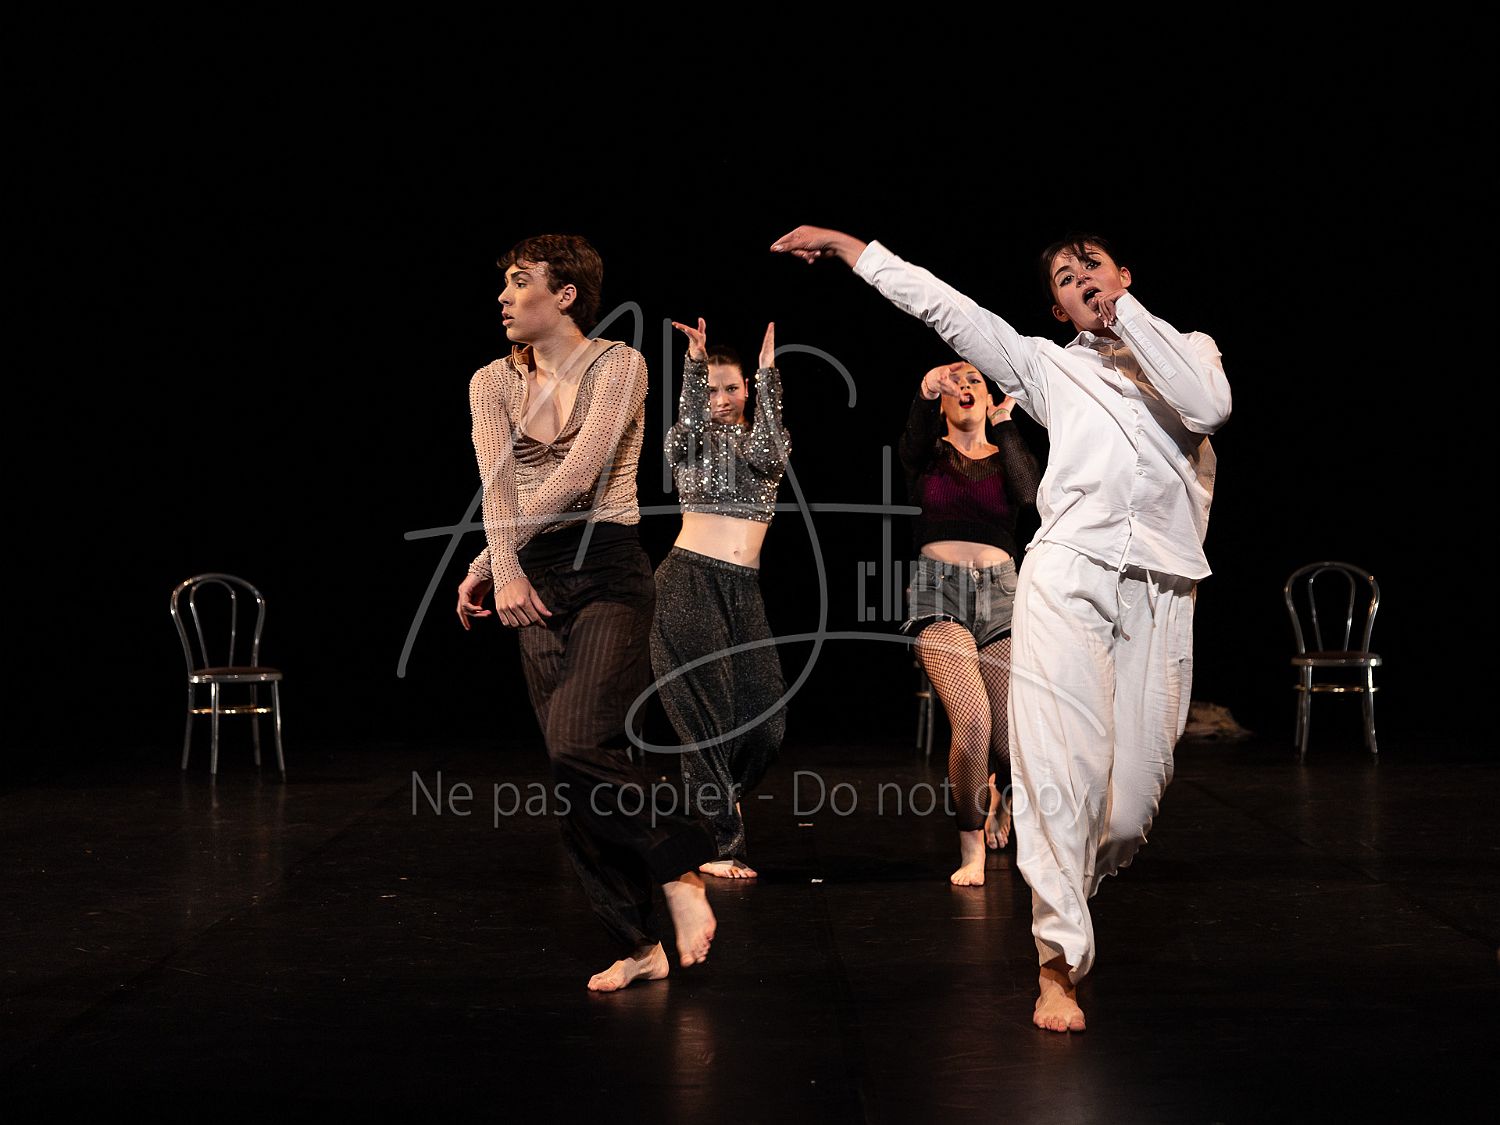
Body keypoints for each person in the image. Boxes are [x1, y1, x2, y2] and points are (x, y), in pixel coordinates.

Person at [770, 225, 1231, 1033]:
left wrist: (1126, 316)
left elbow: (1208, 407)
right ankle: (1057, 964)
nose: (1081, 278)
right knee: (1056, 763)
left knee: (1128, 810)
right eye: (1065, 278)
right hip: (1066, 574)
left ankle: (1069, 879)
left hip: (1162, 585)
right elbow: (951, 310)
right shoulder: (1050, 367)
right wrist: (854, 250)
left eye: (1092, 266)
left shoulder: (1190, 348)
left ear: (1124, 273)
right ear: (1055, 308)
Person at [455, 233, 718, 993]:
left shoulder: (621, 365)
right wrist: (501, 567)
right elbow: (498, 486)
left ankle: (680, 865)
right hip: (535, 580)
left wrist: (490, 563)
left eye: (520, 282)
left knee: (577, 741)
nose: (504, 296)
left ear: (565, 294)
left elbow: (581, 472)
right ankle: (637, 943)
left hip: (606, 569)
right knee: (572, 773)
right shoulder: (489, 382)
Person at [651, 318, 790, 880]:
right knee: (705, 722)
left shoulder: (764, 445)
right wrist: (693, 365)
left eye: (731, 387)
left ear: (748, 390)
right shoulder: (687, 444)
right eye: (711, 389)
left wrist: (769, 374)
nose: (721, 399)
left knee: (766, 718)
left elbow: (772, 451)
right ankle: (719, 845)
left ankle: (718, 801)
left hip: (742, 590)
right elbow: (686, 423)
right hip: (687, 582)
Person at [898, 360, 1039, 886]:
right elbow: (911, 442)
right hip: (939, 595)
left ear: (987, 398)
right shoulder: (928, 455)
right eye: (954, 382)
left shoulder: (1005, 456)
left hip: (1003, 597)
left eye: (974, 380)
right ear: (943, 402)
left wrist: (1005, 425)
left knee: (1010, 741)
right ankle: (970, 843)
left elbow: (1030, 493)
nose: (964, 385)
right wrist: (923, 391)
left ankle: (1000, 797)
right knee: (974, 722)